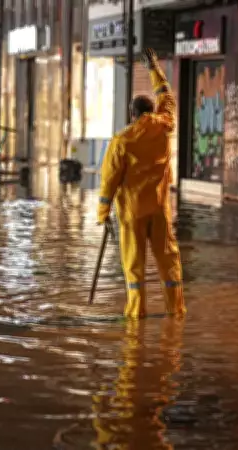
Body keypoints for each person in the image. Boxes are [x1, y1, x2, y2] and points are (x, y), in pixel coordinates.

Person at [96, 48, 185, 320]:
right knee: (168, 259)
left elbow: (109, 180)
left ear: (131, 113)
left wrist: (103, 214)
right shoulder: (165, 126)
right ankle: (176, 310)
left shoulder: (122, 140)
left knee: (133, 264)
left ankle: (136, 313)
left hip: (132, 212)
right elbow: (167, 97)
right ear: (151, 110)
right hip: (159, 209)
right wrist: (154, 68)